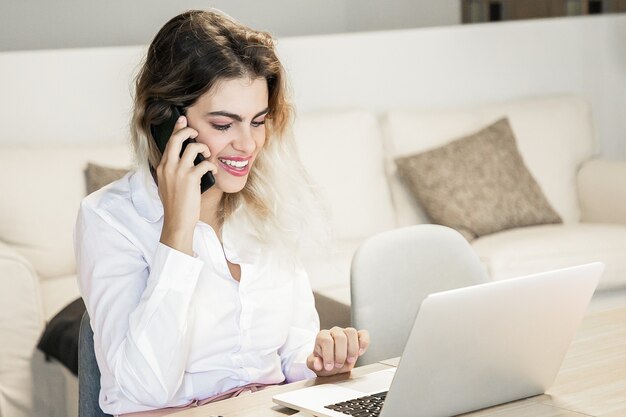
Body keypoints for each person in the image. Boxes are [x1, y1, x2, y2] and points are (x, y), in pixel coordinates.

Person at [74, 9, 370, 417]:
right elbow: (145, 389)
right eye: (224, 124)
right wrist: (177, 230)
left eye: (258, 121)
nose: (248, 145)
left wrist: (322, 361)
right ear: (165, 121)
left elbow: (294, 353)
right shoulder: (109, 219)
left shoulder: (266, 205)